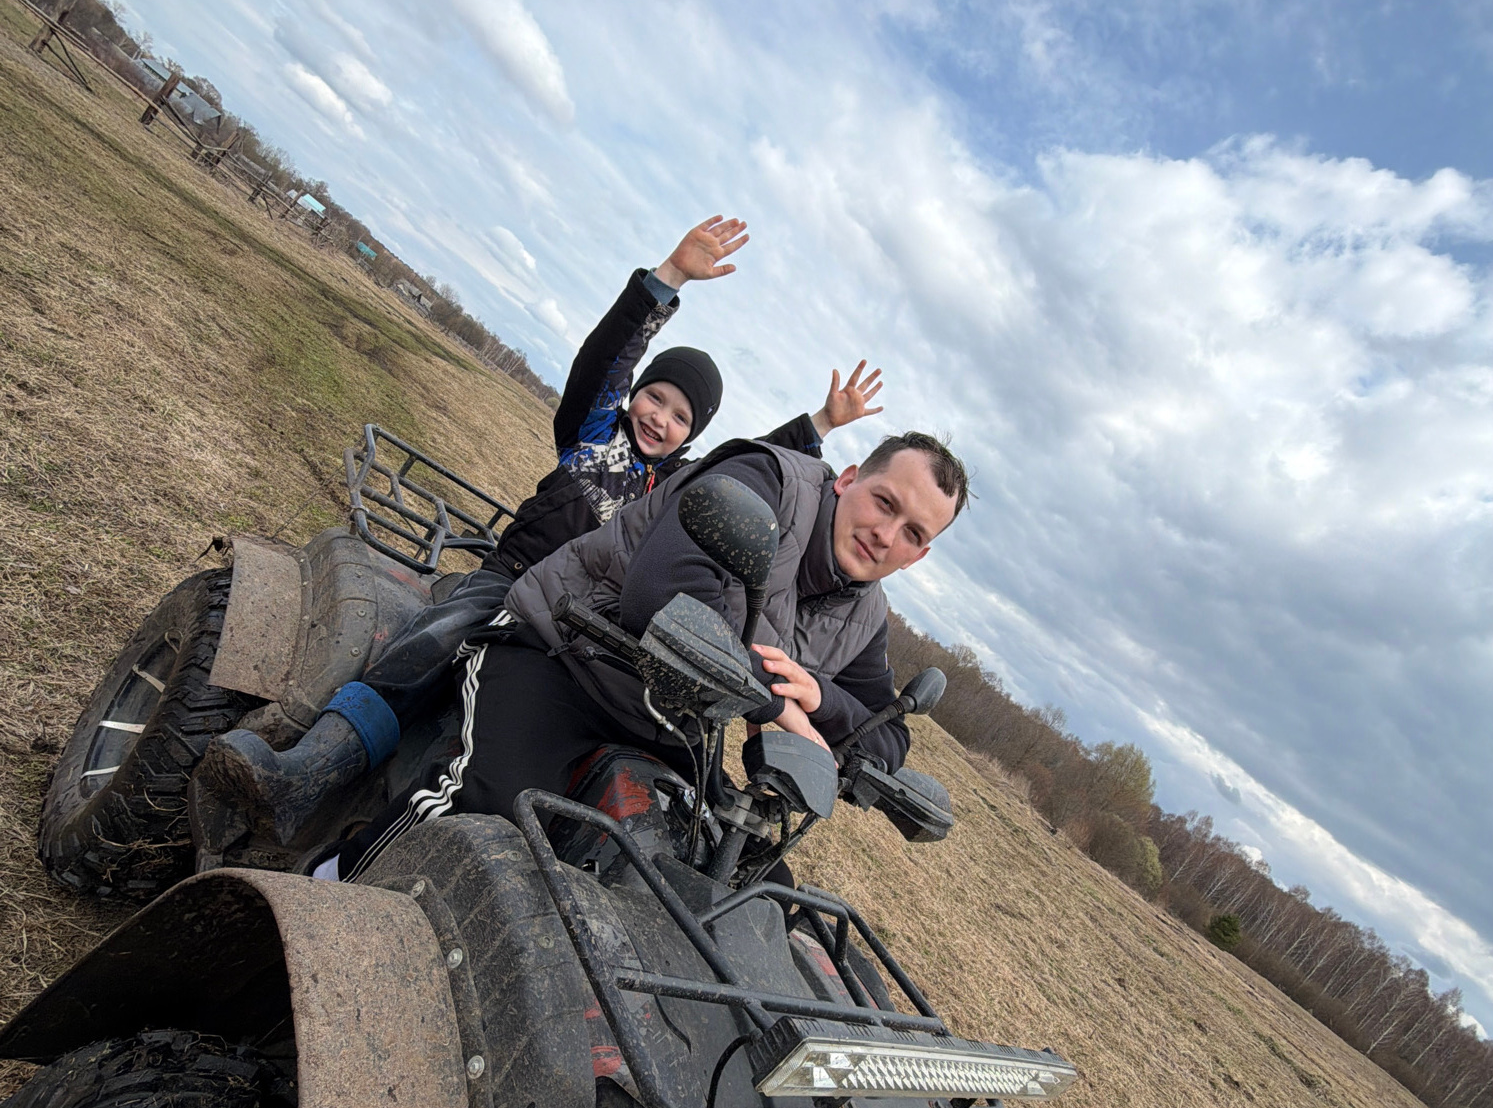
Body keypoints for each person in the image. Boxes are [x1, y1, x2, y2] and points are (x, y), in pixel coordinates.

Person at [191, 216, 885, 851]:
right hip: (513, 585)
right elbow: (604, 361)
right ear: (634, 396)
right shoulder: (594, 435)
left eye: (681, 418)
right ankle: (308, 772)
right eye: (655, 398)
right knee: (435, 641)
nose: (660, 419)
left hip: (594, 631)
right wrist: (668, 278)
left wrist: (820, 425)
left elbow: (747, 472)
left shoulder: (676, 485)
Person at [334, 430, 969, 879]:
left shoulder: (865, 615)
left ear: (920, 555)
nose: (885, 534)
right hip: (566, 651)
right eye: (885, 503)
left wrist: (820, 696)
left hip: (672, 726)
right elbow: (663, 597)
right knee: (486, 809)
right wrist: (778, 704)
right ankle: (335, 881)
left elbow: (885, 738)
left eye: (912, 532)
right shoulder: (762, 480)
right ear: (849, 478)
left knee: (740, 888)